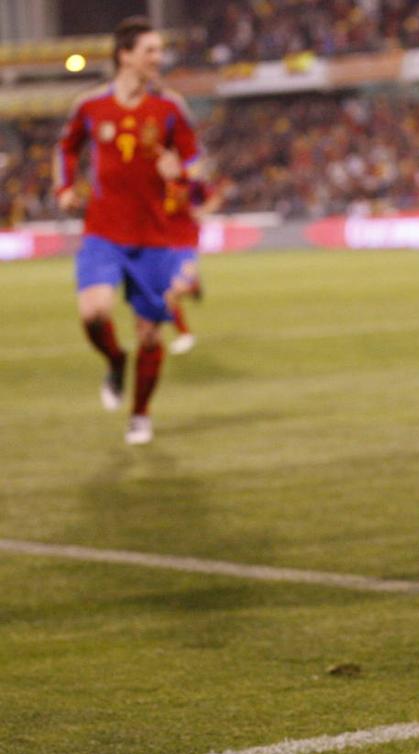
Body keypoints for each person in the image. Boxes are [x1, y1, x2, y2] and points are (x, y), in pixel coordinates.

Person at [55, 16, 201, 444]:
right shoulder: (90, 106)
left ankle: (140, 413)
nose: (159, 58)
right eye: (150, 50)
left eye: (159, 50)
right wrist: (65, 188)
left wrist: (182, 171)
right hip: (103, 232)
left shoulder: (170, 107)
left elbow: (195, 161)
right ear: (125, 55)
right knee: (94, 312)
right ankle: (116, 361)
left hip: (155, 238)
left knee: (150, 334)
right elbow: (65, 148)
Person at [166, 176, 227, 355]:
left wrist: (201, 211)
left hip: (186, 245)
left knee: (171, 293)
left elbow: (215, 199)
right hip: (161, 246)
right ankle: (193, 286)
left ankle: (185, 335)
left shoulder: (191, 181)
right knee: (165, 295)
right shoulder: (153, 180)